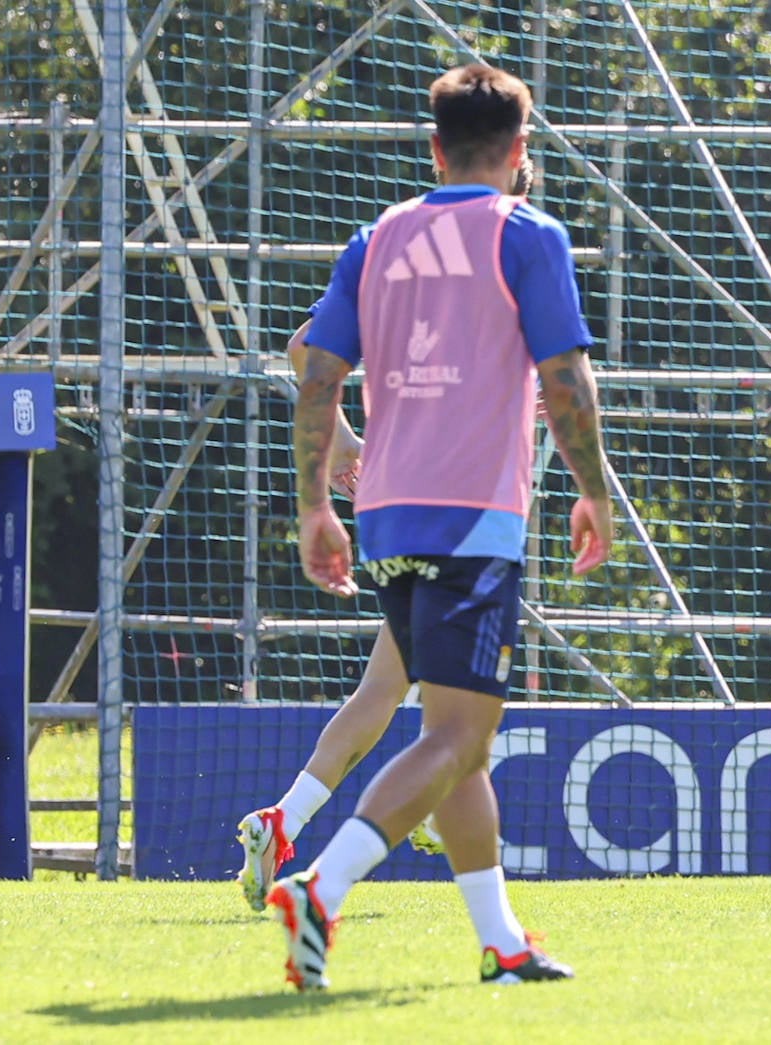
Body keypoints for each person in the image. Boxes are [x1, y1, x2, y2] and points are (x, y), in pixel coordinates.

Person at [267, 63, 613, 989]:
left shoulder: (375, 237)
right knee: (460, 737)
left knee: (456, 736)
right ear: (519, 152)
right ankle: (321, 885)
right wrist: (595, 489)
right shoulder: (528, 233)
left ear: (434, 147)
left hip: (383, 517)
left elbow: (316, 373)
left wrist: (312, 505)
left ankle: (501, 942)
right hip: (473, 519)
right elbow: (566, 381)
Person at [234, 152, 540, 921]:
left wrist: (337, 445)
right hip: (460, 520)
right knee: (460, 723)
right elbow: (307, 346)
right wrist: (339, 440)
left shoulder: (409, 255)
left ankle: (288, 820)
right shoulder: (497, 264)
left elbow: (307, 347)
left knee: (391, 690)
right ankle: (337, 875)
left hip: (399, 512)